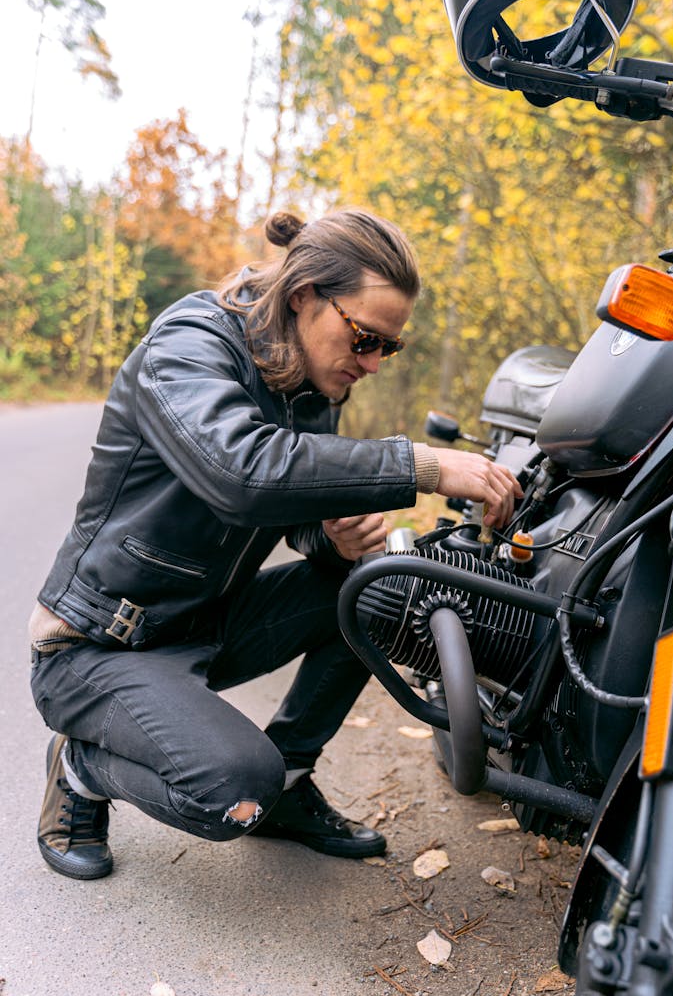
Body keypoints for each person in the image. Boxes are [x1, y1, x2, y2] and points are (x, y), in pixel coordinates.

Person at [30, 208, 521, 881]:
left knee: (382, 585)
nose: (374, 363)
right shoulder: (188, 343)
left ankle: (289, 781)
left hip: (207, 618)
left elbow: (291, 512)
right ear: (302, 298)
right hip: (101, 643)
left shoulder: (311, 379)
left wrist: (332, 536)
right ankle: (82, 768)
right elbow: (241, 473)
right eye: (365, 338)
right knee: (235, 786)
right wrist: (423, 465)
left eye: (390, 349)